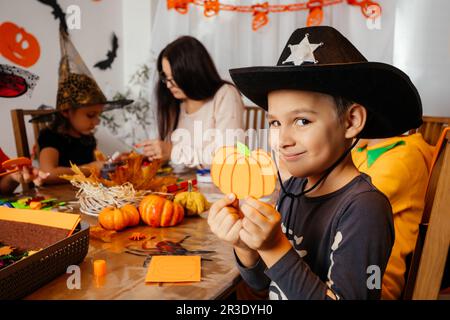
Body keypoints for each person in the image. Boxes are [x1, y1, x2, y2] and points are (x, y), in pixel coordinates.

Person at [208, 26, 423, 299]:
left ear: (351, 121)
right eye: (275, 122)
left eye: (302, 121)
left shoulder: (365, 209)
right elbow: (264, 286)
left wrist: (274, 246)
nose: (282, 139)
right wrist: (246, 247)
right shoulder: (293, 189)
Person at [136, 36, 245, 169]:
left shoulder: (225, 94)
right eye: (166, 78)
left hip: (219, 185)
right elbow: (172, 159)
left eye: (174, 78)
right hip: (182, 185)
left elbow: (228, 157)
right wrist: (152, 156)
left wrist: (173, 152)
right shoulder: (175, 102)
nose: (168, 86)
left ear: (193, 73)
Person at [38, 31, 132, 184]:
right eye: (90, 115)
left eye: (98, 115)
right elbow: (47, 173)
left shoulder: (86, 138)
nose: (97, 122)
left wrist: (110, 163)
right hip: (57, 199)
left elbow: (96, 168)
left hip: (85, 196)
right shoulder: (51, 136)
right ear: (66, 111)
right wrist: (89, 168)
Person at [352, 133, 434, 299]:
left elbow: (354, 206)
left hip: (377, 279)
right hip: (347, 261)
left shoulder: (405, 157)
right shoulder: (360, 151)